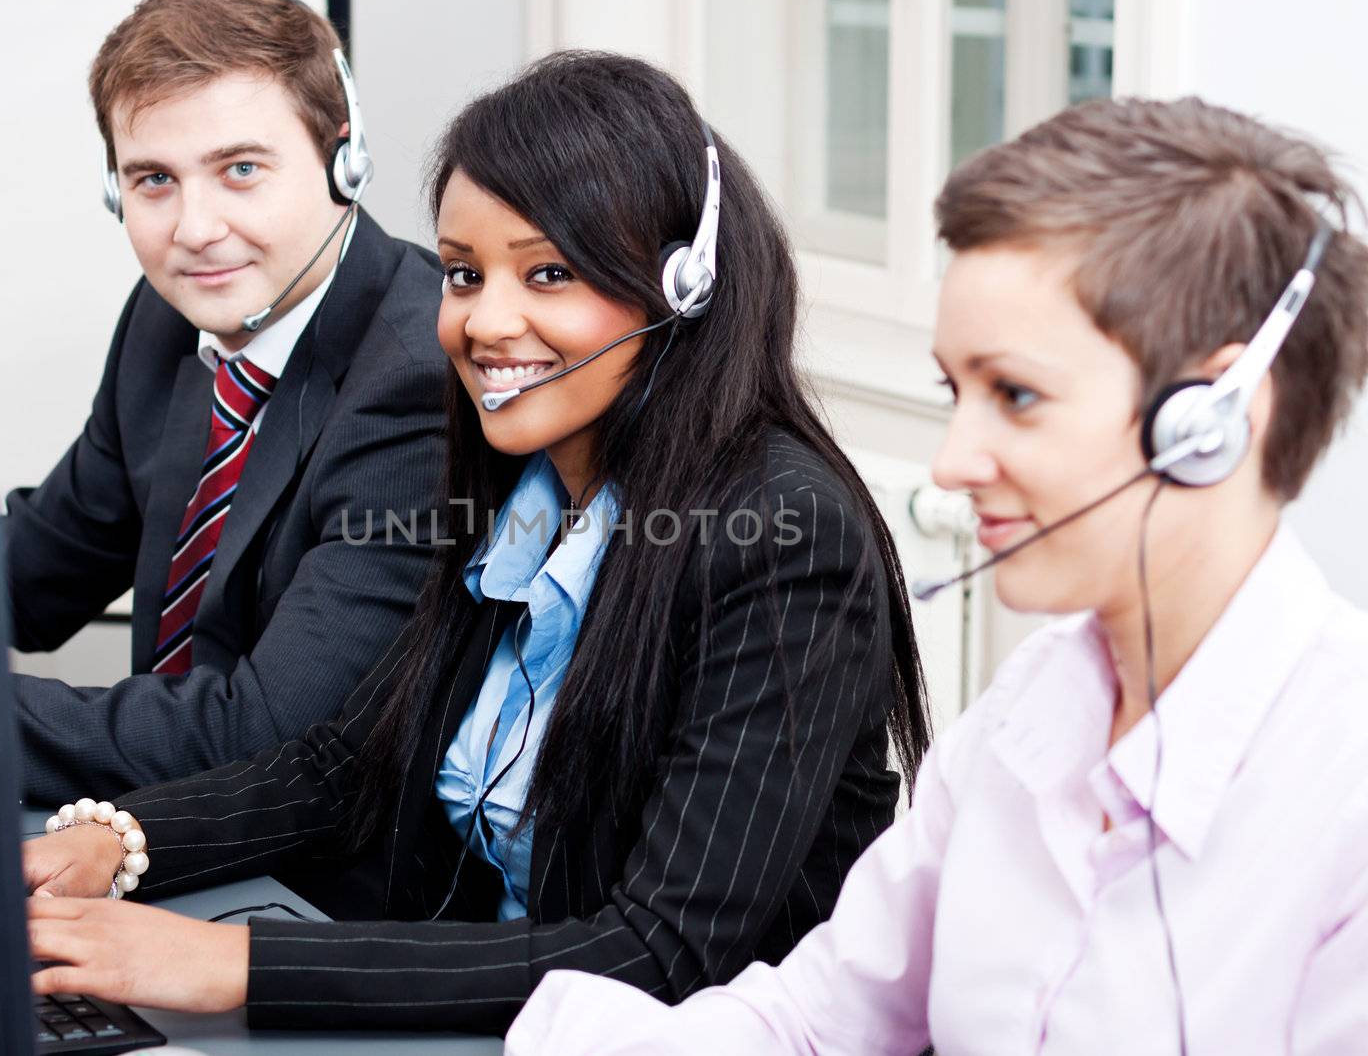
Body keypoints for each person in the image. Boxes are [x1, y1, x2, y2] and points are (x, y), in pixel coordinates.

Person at [19, 51, 931, 1035]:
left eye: (548, 272)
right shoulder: (529, 479)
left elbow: (656, 947)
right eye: (463, 272)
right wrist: (122, 837)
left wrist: (238, 960)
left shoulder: (785, 540)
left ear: (681, 286)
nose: (487, 321)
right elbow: (347, 763)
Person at [504, 96, 1368, 1055]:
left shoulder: (1341, 799)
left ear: (1212, 421)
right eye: (959, 394)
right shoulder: (1029, 709)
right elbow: (817, 1017)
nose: (956, 460)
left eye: (1018, 395)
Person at [5, 0, 447, 804]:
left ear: (342, 158)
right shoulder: (166, 321)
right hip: (156, 825)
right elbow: (36, 573)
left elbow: (266, 729)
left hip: (323, 883)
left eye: (240, 169)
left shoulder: (416, 378)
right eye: (153, 180)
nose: (194, 229)